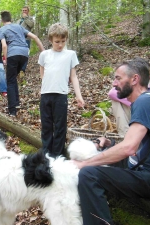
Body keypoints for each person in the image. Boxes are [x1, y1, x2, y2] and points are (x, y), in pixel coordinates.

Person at [73, 58, 150, 225]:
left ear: (135, 79)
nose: (114, 83)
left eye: (118, 78)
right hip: (141, 169)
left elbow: (129, 148)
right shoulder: (145, 102)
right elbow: (140, 148)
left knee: (88, 174)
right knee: (98, 156)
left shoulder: (146, 102)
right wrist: (109, 144)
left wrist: (84, 164)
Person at [38, 23, 85, 157]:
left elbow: (73, 76)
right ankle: (46, 154)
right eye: (57, 42)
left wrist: (78, 96)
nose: (60, 44)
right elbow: (43, 74)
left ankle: (57, 155)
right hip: (46, 94)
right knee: (46, 125)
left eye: (63, 41)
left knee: (60, 127)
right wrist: (47, 85)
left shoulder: (70, 55)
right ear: (51, 40)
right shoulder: (44, 55)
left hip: (61, 95)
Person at [0, 10, 44, 117]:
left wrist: (5, 59)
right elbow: (35, 37)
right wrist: (44, 52)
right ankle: (17, 103)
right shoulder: (19, 27)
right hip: (24, 54)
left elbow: (4, 46)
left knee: (9, 81)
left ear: (2, 20)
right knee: (13, 78)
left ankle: (12, 110)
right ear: (11, 19)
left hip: (13, 55)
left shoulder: (2, 29)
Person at [16, 6, 34, 75]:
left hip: (26, 39)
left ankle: (22, 70)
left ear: (28, 11)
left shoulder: (30, 19)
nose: (24, 12)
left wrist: (26, 18)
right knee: (18, 54)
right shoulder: (18, 20)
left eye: (25, 10)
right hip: (18, 39)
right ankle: (18, 69)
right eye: (23, 10)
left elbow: (31, 25)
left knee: (25, 54)